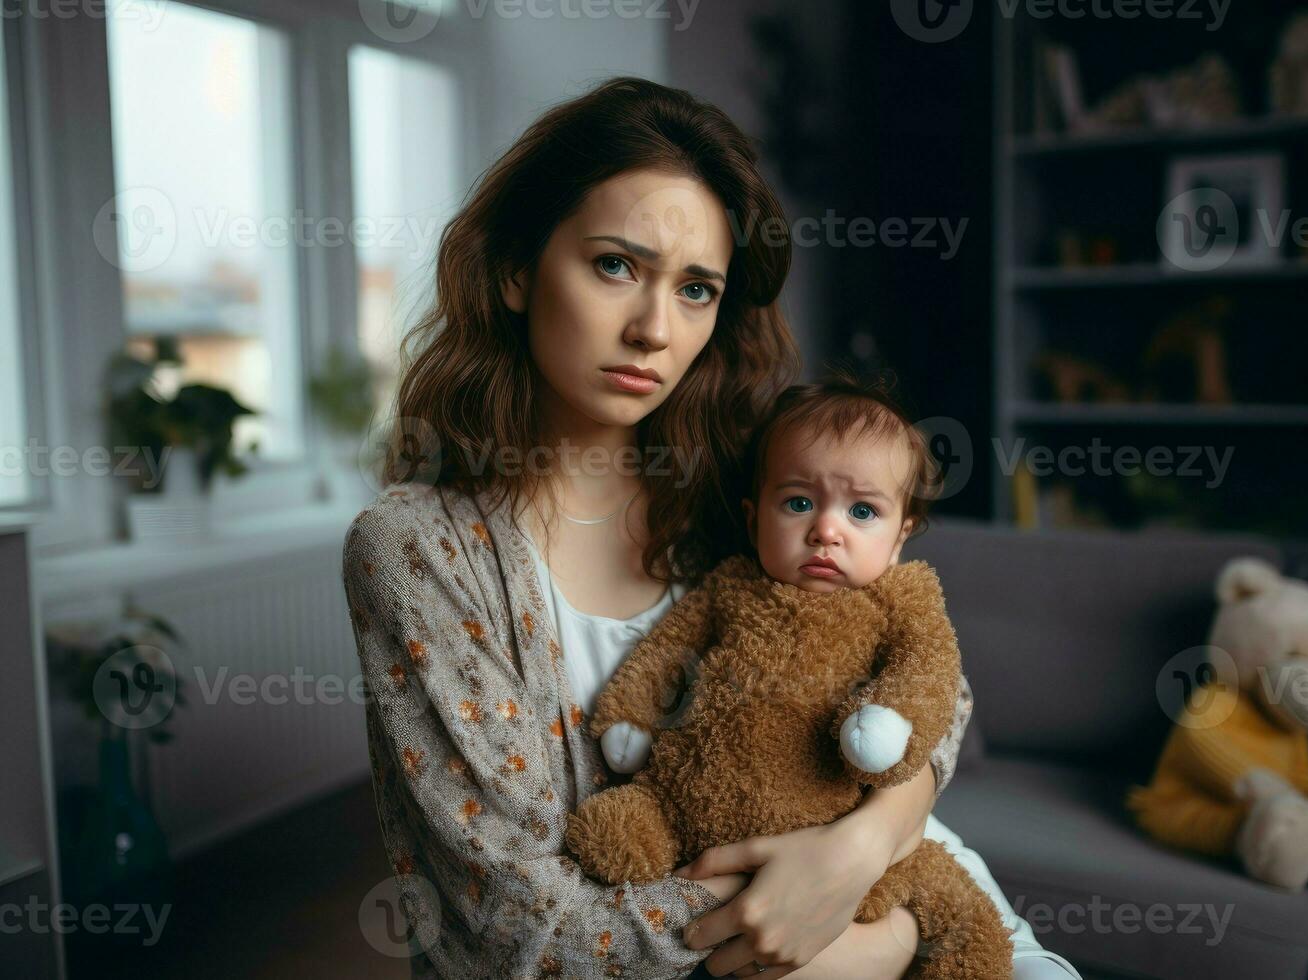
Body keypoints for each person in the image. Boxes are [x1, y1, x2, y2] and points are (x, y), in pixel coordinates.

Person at [342, 75, 1080, 980]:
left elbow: (938, 689)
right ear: (514, 270)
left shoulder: (746, 488)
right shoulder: (421, 550)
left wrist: (863, 851)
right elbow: (524, 930)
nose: (655, 328)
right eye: (616, 264)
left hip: (904, 883)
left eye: (697, 289)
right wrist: (860, 939)